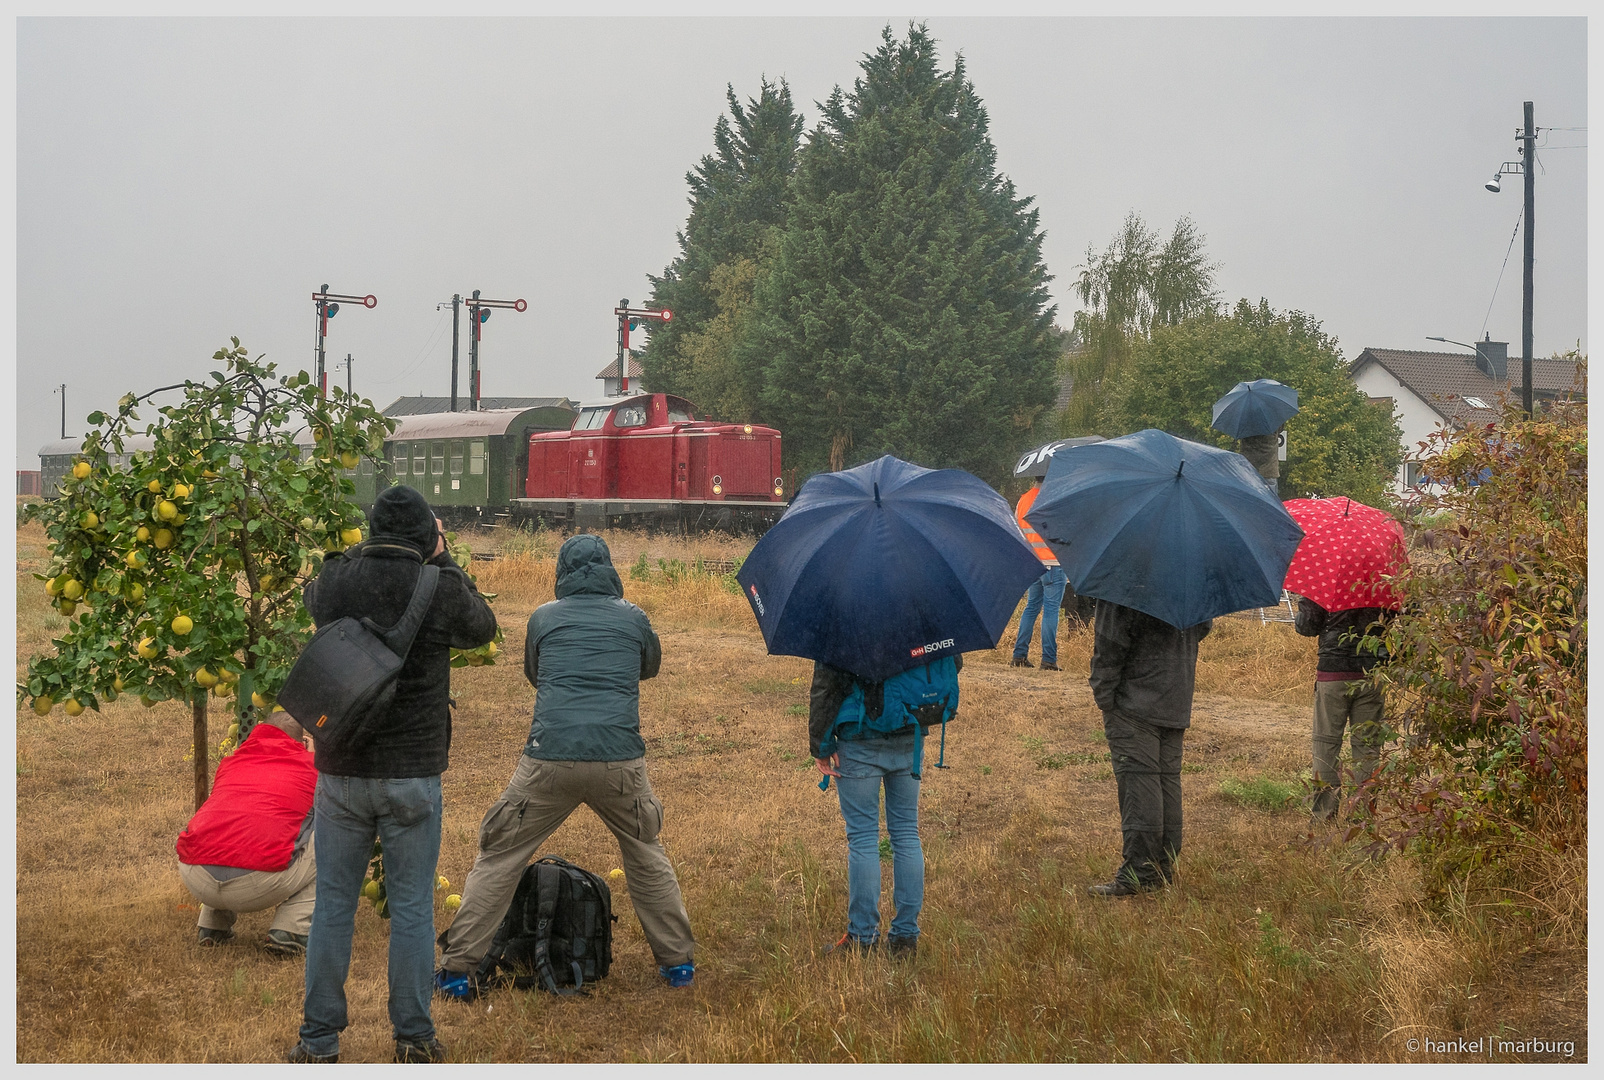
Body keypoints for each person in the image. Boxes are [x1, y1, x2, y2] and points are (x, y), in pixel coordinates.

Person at [288, 486, 498, 1065]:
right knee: (411, 907)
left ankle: (319, 1041)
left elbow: (313, 598)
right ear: (426, 535)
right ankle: (414, 1038)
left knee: (333, 902)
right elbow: (483, 628)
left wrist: (352, 558)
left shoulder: (339, 580)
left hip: (343, 771)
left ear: (370, 528)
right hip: (413, 773)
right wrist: (444, 557)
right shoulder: (440, 585)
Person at [434, 534, 696, 997]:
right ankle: (677, 965)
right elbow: (649, 666)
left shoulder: (543, 618)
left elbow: (535, 674)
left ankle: (457, 971)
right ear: (610, 569)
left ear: (561, 571)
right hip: (620, 762)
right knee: (646, 854)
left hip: (548, 759)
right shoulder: (634, 618)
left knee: (499, 855)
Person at [810, 652, 962, 956]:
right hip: (910, 733)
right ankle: (906, 938)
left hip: (859, 737)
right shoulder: (924, 609)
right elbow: (954, 662)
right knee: (906, 834)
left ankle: (862, 938)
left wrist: (821, 744)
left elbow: (827, 683)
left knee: (864, 839)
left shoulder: (845, 615)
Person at [1086, 599, 1211, 896]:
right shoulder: (1190, 576)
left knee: (1139, 783)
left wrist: (1104, 693)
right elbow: (1204, 626)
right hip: (1176, 693)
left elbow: (1110, 641)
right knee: (1167, 781)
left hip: (1134, 699)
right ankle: (1162, 867)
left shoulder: (1122, 580)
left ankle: (1139, 872)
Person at [176, 711, 318, 956]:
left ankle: (212, 925)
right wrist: (314, 754)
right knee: (333, 833)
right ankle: (291, 929)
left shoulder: (232, 763)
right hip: (257, 884)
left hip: (194, 873)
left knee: (228, 829)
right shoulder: (311, 767)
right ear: (301, 740)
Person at [1294, 597, 1393, 822]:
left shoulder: (1325, 577)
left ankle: (1324, 814)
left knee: (1326, 743)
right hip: (1372, 672)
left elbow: (1307, 626)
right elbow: (1409, 619)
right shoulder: (1386, 579)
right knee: (1367, 746)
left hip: (1332, 673)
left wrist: (1303, 609)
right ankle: (1362, 815)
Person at [1011, 479, 1068, 670]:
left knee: (1031, 608)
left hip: (1032, 562)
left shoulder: (1023, 501)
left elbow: (1017, 531)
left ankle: (1019, 655)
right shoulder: (1054, 499)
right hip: (1053, 562)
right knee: (1051, 610)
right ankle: (1049, 659)